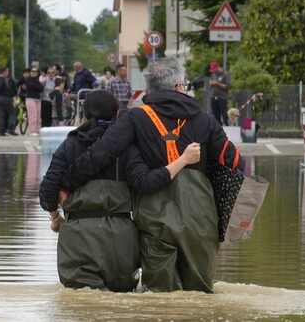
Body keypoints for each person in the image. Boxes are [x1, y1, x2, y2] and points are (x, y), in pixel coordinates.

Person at [67, 59, 244, 293]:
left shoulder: (134, 118)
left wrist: (67, 181)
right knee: (200, 297)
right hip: (199, 220)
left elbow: (100, 154)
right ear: (180, 86)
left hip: (154, 220)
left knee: (159, 297)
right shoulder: (205, 121)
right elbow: (234, 162)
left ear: (149, 88)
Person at [39, 90, 201, 292]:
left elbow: (47, 191)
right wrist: (184, 160)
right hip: (121, 239)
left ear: (85, 113)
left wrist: (56, 218)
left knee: (80, 305)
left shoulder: (69, 145)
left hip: (77, 235)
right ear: (117, 114)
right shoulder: (127, 148)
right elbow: (147, 183)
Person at [0, 67, 18, 136]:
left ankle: (0, 130)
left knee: (1, 115)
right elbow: (10, 90)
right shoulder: (6, 80)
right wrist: (13, 96)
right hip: (6, 98)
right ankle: (10, 128)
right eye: (7, 71)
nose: (8, 73)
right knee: (12, 113)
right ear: (4, 72)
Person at [208, 61, 232, 126]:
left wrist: (218, 83)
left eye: (214, 70)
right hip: (213, 97)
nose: (213, 72)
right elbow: (211, 84)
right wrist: (211, 84)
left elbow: (228, 86)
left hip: (222, 98)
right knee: (215, 115)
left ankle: (227, 127)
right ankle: (218, 128)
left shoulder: (225, 74)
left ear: (218, 68)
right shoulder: (213, 75)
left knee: (224, 115)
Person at [24, 66, 43, 136]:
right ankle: (32, 131)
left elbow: (41, 88)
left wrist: (37, 87)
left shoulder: (38, 80)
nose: (35, 73)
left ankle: (36, 130)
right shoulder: (28, 79)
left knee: (38, 115)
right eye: (33, 71)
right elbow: (31, 86)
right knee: (33, 115)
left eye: (36, 71)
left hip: (38, 99)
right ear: (30, 72)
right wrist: (37, 87)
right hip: (30, 99)